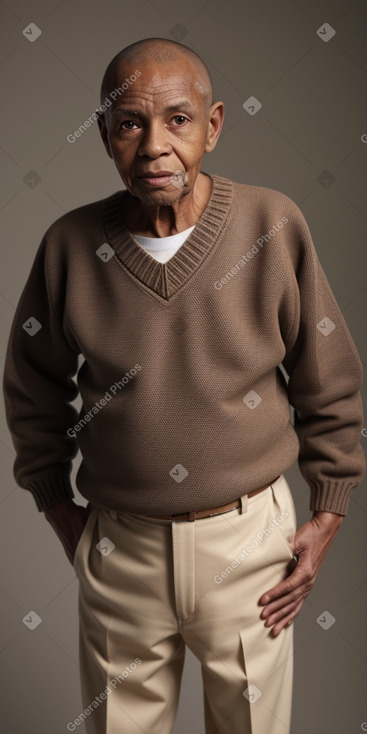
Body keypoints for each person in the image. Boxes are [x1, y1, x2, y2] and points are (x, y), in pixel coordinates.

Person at [2, 36, 365, 734]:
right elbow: (31, 391)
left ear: (213, 125)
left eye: (176, 119)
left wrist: (328, 511)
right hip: (121, 547)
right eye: (129, 123)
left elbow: (329, 382)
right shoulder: (70, 246)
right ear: (105, 133)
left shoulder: (272, 224)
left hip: (249, 544)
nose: (153, 146)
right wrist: (58, 507)